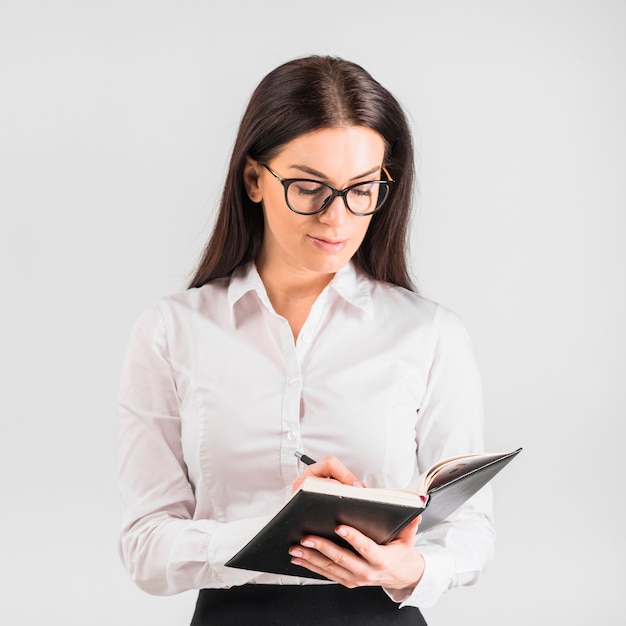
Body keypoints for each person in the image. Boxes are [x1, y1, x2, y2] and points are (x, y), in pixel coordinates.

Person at [118, 55, 495, 625]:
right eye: (308, 187)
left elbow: (470, 531)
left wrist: (408, 569)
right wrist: (280, 531)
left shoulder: (429, 333)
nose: (336, 217)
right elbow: (145, 547)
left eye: (362, 188)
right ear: (253, 179)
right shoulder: (172, 331)